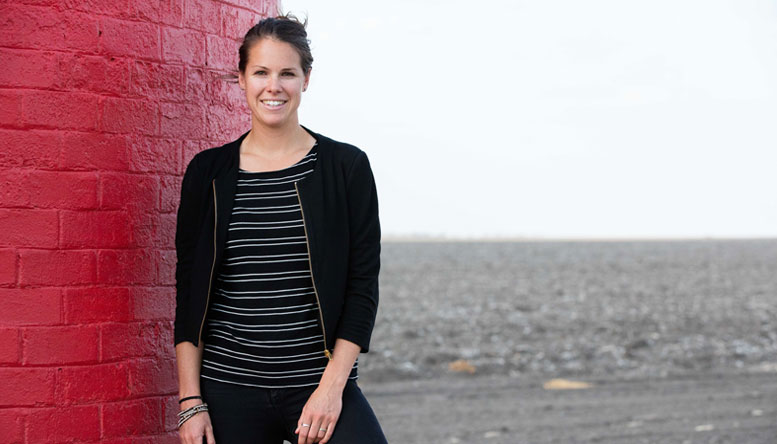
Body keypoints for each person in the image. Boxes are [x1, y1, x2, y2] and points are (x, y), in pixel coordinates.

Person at [173, 13, 388, 444]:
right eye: (261, 72)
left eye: (287, 73)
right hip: (229, 389)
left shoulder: (346, 168)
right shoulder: (207, 173)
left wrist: (330, 391)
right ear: (241, 78)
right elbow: (189, 293)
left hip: (318, 382)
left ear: (306, 79)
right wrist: (190, 403)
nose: (274, 86)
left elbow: (361, 288)